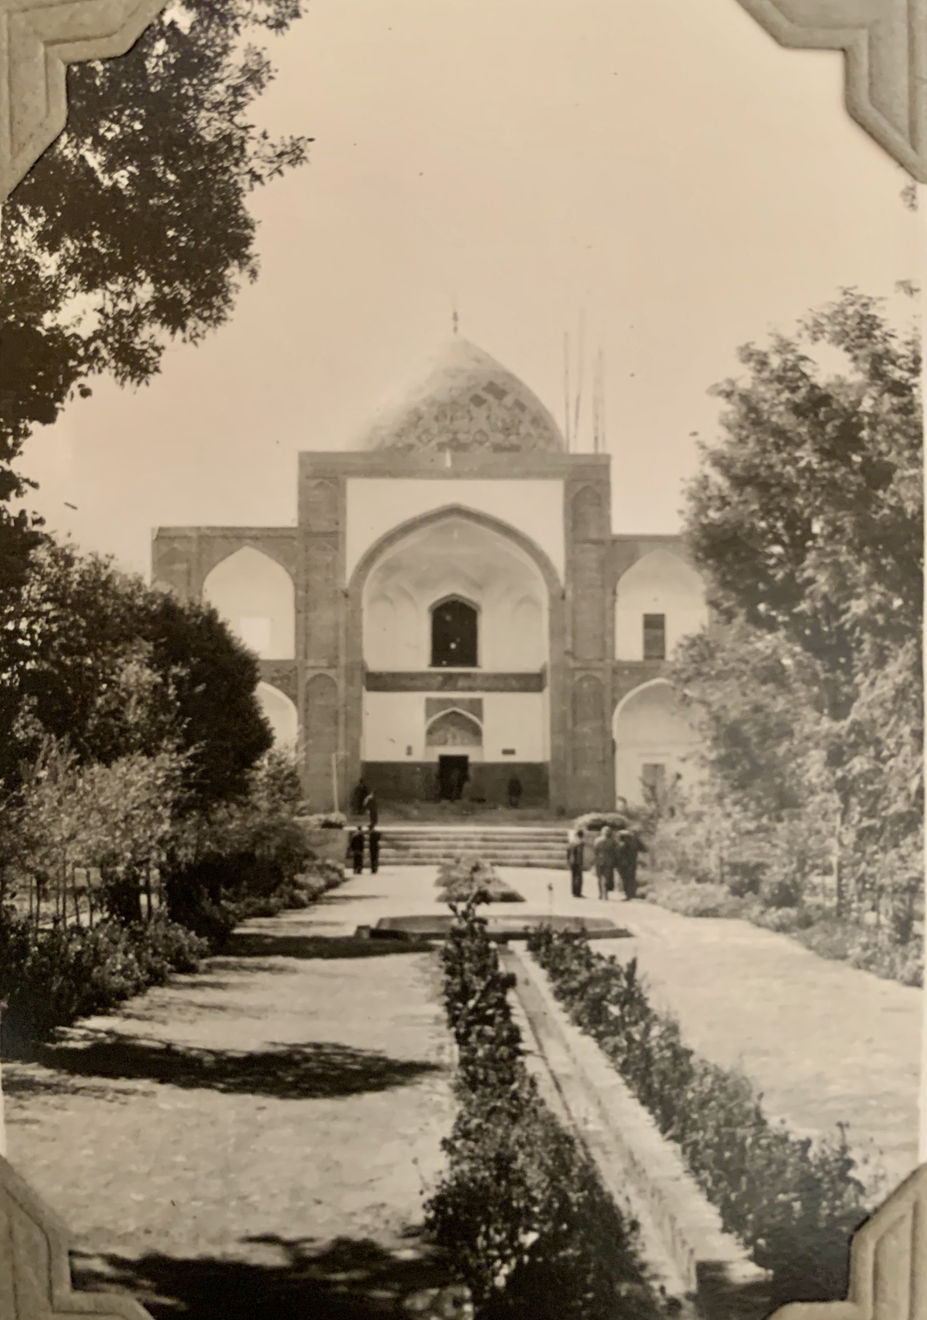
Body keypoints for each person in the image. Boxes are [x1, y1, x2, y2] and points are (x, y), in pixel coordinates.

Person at [615, 828, 646, 900]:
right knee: (631, 878)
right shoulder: (635, 842)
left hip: (623, 864)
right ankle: (632, 894)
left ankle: (628, 895)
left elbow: (617, 854)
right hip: (632, 863)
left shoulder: (621, 844)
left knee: (626, 879)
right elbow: (644, 849)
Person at [593, 825, 616, 901]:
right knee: (607, 878)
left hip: (599, 860)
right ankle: (605, 894)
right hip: (608, 861)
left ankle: (600, 894)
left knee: (599, 878)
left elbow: (595, 851)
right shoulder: (612, 841)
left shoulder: (597, 840)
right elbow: (615, 852)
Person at [567, 827, 585, 898]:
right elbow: (580, 854)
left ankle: (574, 892)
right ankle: (578, 893)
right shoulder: (580, 843)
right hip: (578, 862)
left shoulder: (571, 842)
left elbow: (568, 852)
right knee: (578, 878)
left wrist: (568, 860)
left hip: (572, 862)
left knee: (573, 877)